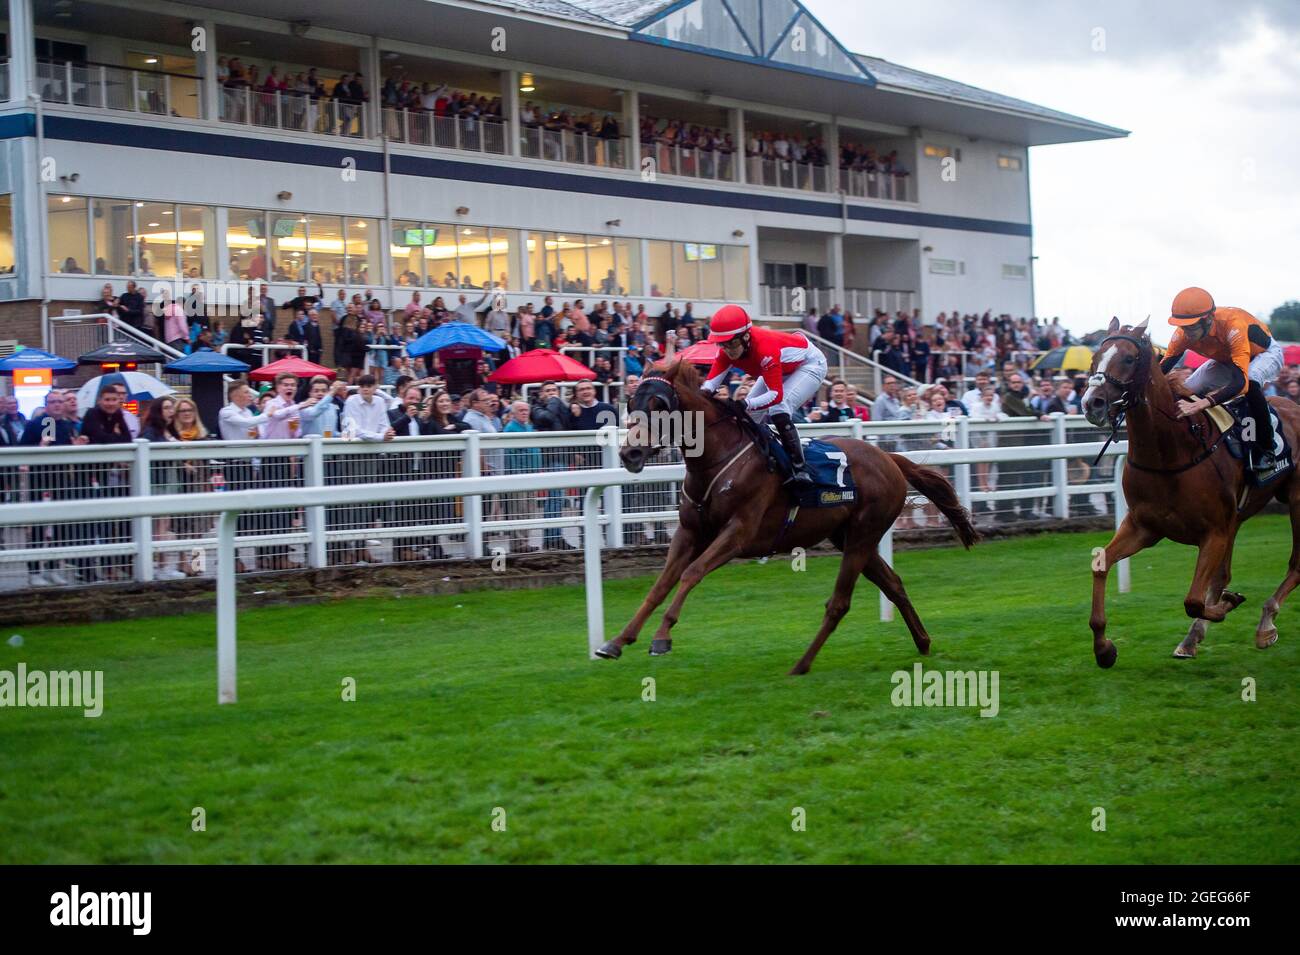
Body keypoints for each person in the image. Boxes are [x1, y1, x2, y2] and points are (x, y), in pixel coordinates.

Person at [1159, 287, 1286, 470]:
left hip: (1263, 355)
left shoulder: (1233, 325)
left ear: (1208, 319)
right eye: (1182, 326)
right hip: (1228, 360)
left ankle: (1267, 449)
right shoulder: (1182, 335)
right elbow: (1162, 368)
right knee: (1187, 389)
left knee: (1251, 382)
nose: (1186, 332)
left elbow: (1241, 383)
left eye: (1191, 326)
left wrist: (1202, 403)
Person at [700, 304, 828, 485]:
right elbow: (709, 385)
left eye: (732, 343)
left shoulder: (765, 348)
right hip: (778, 366)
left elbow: (775, 395)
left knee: (778, 407)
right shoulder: (727, 351)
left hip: (809, 364)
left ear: (745, 336)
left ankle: (800, 468)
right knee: (751, 416)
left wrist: (744, 403)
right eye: (723, 344)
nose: (728, 349)